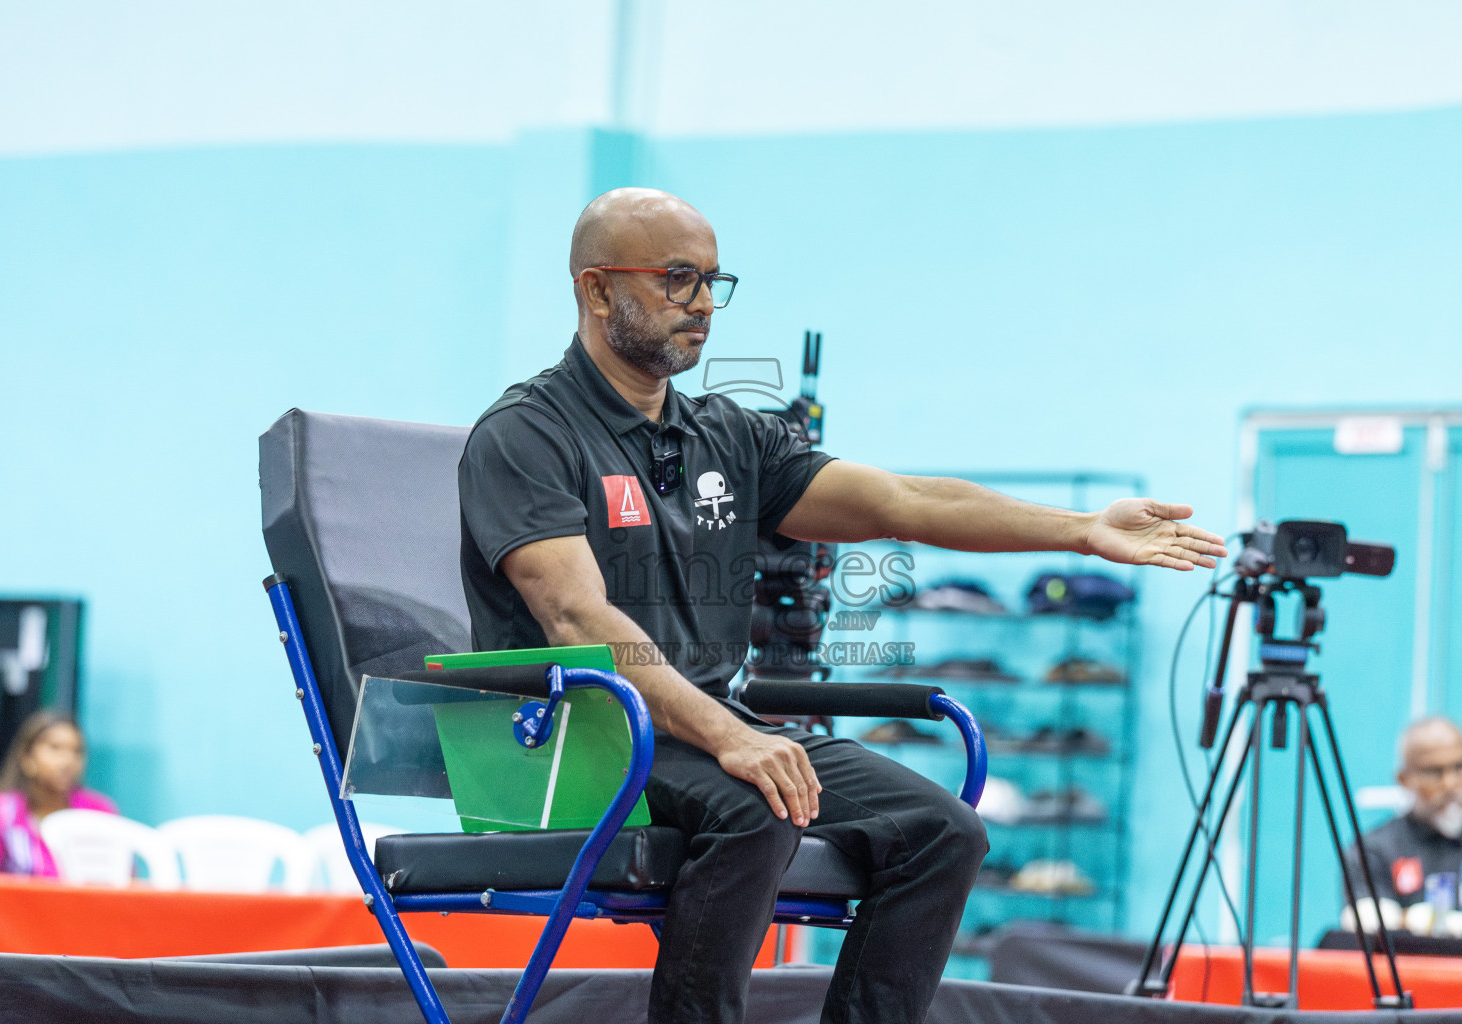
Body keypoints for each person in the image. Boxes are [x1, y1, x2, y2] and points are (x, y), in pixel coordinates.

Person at [458, 186, 1226, 1024]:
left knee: (944, 833)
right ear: (598, 289)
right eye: (679, 279)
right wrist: (733, 737)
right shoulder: (525, 434)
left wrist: (1081, 530)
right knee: (756, 810)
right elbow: (577, 622)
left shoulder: (730, 435)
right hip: (573, 733)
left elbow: (904, 501)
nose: (706, 305)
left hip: (704, 726)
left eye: (715, 281)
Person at [1344, 716, 1462, 913]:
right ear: (1404, 779)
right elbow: (1372, 928)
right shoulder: (1372, 852)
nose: (1450, 784)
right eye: (1434, 772)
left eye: (1460, 768)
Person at [0, 711, 117, 876]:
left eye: (77, 751)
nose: (68, 760)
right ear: (26, 757)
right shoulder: (1, 812)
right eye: (55, 748)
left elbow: (123, 878)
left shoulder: (98, 811)